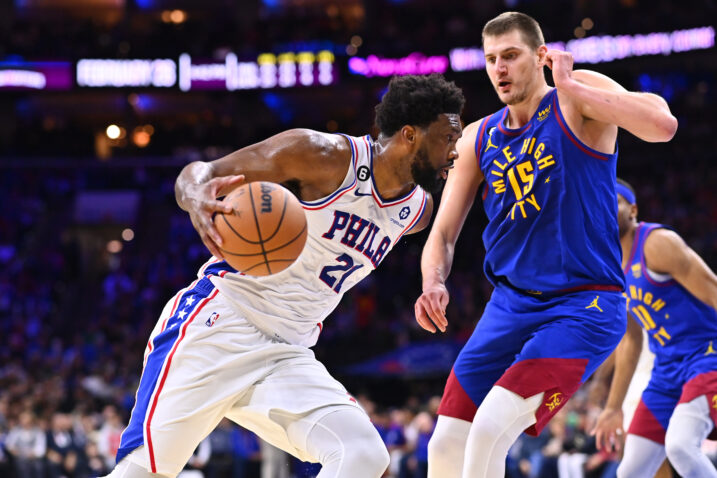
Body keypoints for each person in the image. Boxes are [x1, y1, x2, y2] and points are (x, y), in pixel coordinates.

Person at [102, 73, 465, 478]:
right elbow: (199, 173)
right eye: (447, 139)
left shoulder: (416, 212)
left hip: (287, 350)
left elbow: (442, 240)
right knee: (141, 474)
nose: (455, 151)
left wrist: (432, 282)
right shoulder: (320, 155)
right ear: (410, 135)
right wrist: (196, 198)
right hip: (220, 325)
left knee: (364, 455)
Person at [413, 11, 677, 477]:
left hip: (584, 305)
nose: (500, 69)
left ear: (540, 57)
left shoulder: (577, 98)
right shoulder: (479, 137)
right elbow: (443, 234)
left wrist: (572, 86)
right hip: (509, 306)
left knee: (493, 426)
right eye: (491, 58)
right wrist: (433, 280)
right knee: (446, 443)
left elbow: (662, 125)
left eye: (511, 56)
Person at [591, 178, 717, 478]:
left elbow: (713, 291)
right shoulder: (609, 270)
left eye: (613, 201)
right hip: (666, 370)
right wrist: (613, 407)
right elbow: (631, 341)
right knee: (629, 471)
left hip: (707, 356)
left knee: (680, 447)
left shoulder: (656, 243)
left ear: (632, 209)